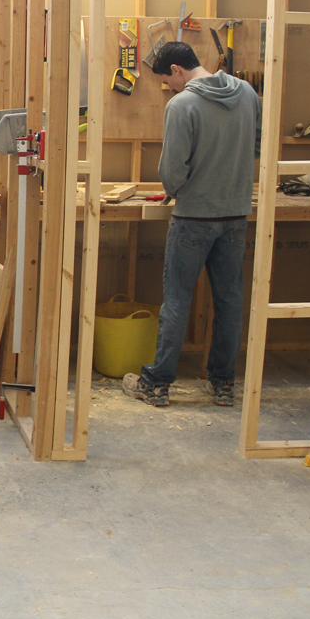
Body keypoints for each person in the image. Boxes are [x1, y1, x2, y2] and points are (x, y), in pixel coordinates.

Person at [123, 42, 261, 408]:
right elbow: (257, 148)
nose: (169, 87)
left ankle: (157, 384)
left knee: (177, 300)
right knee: (229, 300)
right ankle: (224, 383)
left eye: (167, 80)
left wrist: (180, 188)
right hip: (235, 215)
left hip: (194, 218)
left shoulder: (182, 105)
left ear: (176, 70)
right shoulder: (247, 93)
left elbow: (172, 173)